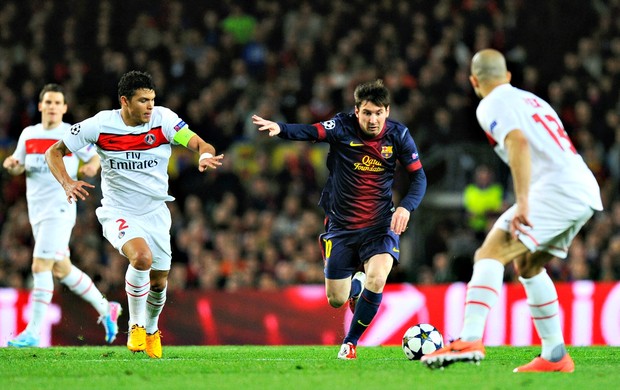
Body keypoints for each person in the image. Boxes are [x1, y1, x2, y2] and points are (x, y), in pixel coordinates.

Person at [421, 49, 603, 372]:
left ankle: (469, 338)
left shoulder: (490, 104)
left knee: (490, 252)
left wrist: (522, 202)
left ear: (474, 81)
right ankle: (555, 355)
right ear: (507, 76)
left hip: (556, 189)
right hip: (582, 187)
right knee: (528, 265)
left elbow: (517, 142)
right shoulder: (533, 101)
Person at [45, 71, 224, 358]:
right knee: (141, 258)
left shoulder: (164, 120)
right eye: (143, 101)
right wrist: (66, 182)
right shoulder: (99, 125)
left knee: (159, 281)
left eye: (152, 100)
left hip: (156, 212)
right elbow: (54, 151)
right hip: (118, 211)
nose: (150, 106)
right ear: (125, 101)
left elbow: (201, 144)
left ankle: (151, 329)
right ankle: (136, 325)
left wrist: (203, 155)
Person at [252, 79, 427, 359]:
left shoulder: (399, 135)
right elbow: (312, 131)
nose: (373, 119)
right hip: (341, 227)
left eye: (379, 113)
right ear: (356, 111)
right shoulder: (342, 126)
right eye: (367, 113)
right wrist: (281, 128)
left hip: (380, 224)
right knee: (336, 300)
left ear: (387, 111)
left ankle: (350, 343)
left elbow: (418, 176)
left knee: (379, 278)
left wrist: (406, 207)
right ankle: (354, 285)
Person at [2, 83, 121, 347]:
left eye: (58, 103)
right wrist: (12, 164)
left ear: (64, 108)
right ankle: (106, 308)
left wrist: (90, 166)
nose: (53, 107)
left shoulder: (69, 134)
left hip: (61, 208)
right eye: (49, 102)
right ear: (41, 106)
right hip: (37, 211)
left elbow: (95, 158)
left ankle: (33, 331)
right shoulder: (29, 135)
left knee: (39, 266)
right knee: (62, 268)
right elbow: (18, 164)